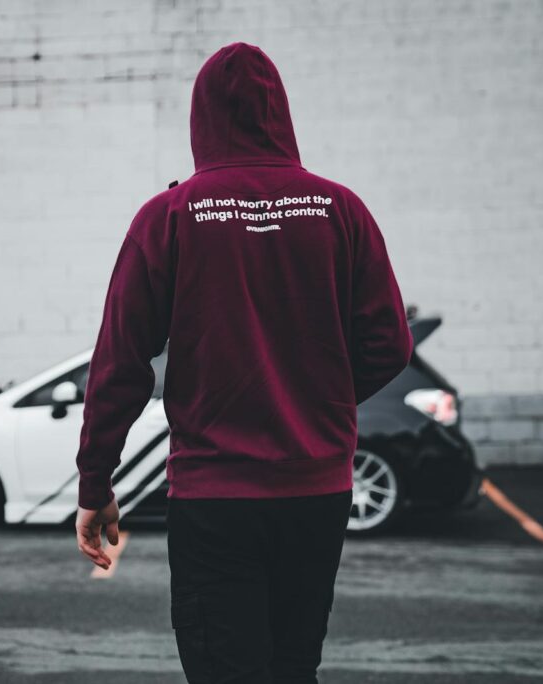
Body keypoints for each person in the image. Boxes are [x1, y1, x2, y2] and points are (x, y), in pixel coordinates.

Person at [74, 42, 413, 683]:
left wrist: (96, 483)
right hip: (318, 491)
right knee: (292, 669)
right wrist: (319, 399)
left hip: (215, 496)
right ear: (281, 114)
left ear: (200, 118)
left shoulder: (168, 217)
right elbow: (389, 345)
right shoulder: (341, 210)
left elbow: (119, 361)